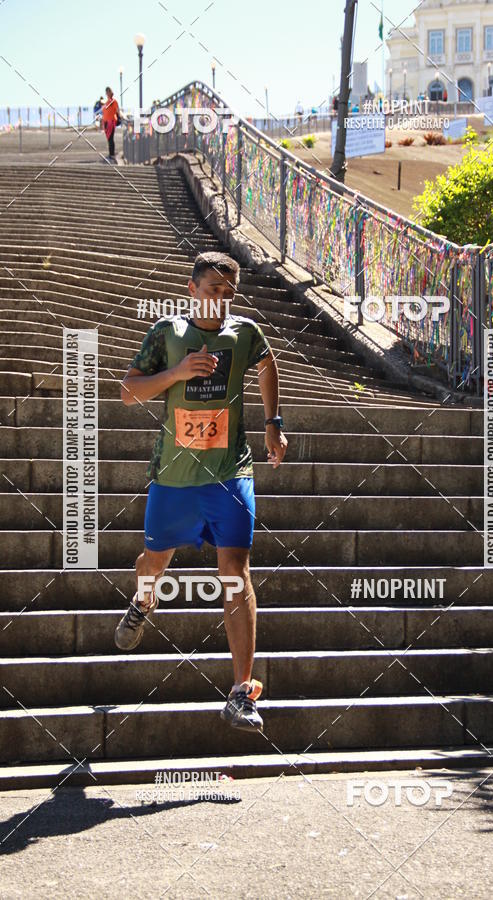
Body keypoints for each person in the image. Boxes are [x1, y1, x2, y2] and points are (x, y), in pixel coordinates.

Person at [114, 252, 288, 733]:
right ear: (191, 289)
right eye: (213, 289)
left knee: (236, 570)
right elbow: (128, 392)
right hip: (174, 478)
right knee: (154, 563)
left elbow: (268, 366)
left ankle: (239, 692)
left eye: (229, 293)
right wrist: (177, 372)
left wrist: (273, 422)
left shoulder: (246, 333)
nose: (221, 300)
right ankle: (143, 601)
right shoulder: (166, 334)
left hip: (230, 475)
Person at [101, 86, 120, 162]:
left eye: (109, 91)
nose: (108, 93)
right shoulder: (106, 102)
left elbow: (118, 110)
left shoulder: (113, 101)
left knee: (110, 138)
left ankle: (112, 155)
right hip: (106, 122)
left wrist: (121, 117)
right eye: (107, 92)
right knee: (109, 139)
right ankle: (111, 154)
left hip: (111, 122)